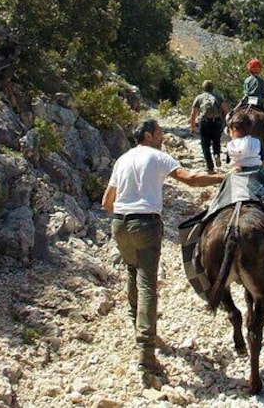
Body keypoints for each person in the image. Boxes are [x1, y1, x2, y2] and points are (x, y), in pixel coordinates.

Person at [101, 119, 223, 378]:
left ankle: (138, 326)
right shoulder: (157, 157)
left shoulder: (122, 160)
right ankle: (146, 352)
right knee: (147, 284)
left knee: (132, 273)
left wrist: (121, 218)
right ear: (148, 135)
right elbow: (190, 179)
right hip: (145, 223)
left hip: (119, 223)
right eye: (159, 132)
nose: (162, 136)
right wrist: (224, 176)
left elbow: (106, 201)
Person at [189, 80, 230, 173]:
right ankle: (217, 155)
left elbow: (193, 113)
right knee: (216, 142)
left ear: (203, 88)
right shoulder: (218, 96)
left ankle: (210, 167)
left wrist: (192, 127)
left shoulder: (199, 97)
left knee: (205, 145)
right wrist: (228, 122)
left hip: (204, 122)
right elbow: (226, 109)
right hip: (217, 122)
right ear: (213, 87)